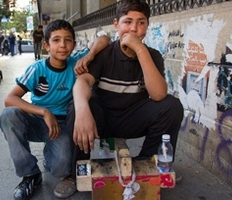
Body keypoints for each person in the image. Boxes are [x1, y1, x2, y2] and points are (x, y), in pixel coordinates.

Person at [0, 19, 110, 200]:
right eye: (56, 40)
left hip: (63, 125)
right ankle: (30, 175)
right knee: (8, 115)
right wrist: (44, 112)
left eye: (68, 40)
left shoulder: (77, 64)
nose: (62, 45)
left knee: (61, 169)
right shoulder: (36, 69)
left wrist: (90, 55)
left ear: (74, 44)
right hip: (37, 120)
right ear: (46, 45)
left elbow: (105, 38)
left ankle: (50, 154)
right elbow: (9, 99)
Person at [68, 0, 183, 171]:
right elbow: (83, 81)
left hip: (133, 119)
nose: (134, 29)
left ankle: (149, 164)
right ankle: (75, 172)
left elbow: (158, 95)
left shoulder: (153, 55)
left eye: (141, 23)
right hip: (102, 119)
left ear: (147, 26)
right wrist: (83, 110)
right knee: (75, 107)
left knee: (172, 106)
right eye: (127, 22)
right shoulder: (104, 54)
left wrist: (140, 50)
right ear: (116, 24)